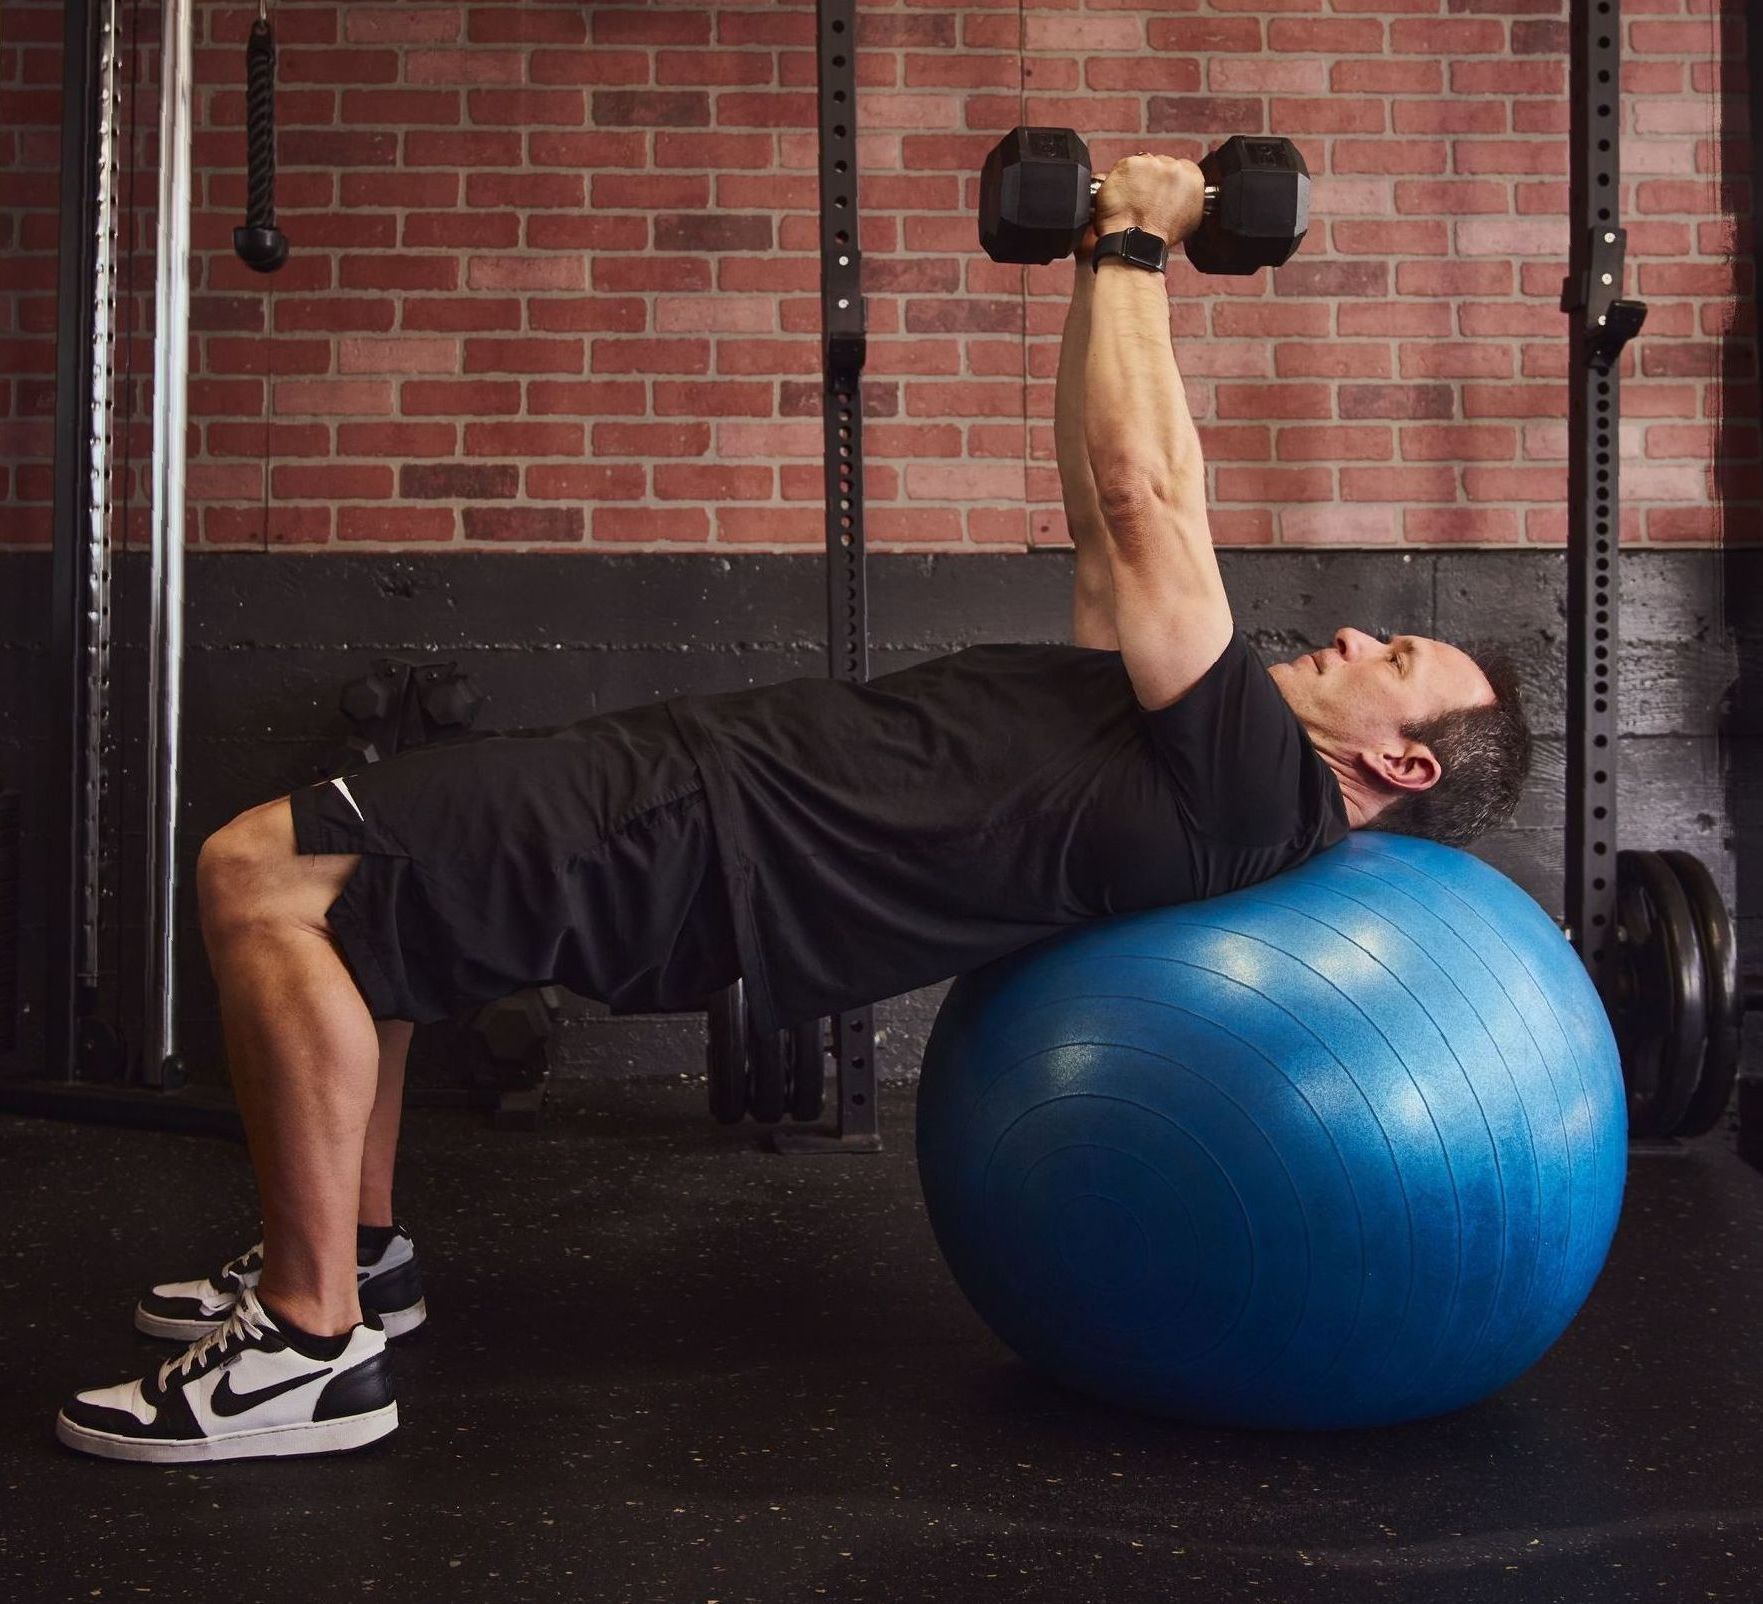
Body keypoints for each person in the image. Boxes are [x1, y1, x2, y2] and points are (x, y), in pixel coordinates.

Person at [56, 154, 1531, 1464]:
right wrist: (1097, 267)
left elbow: (1156, 500)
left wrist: (1147, 243)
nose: (1349, 635)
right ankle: (358, 1258)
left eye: (1388, 660)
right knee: (376, 909)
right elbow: (1111, 501)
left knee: (266, 868)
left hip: (706, 838)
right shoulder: (1192, 746)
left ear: (1401, 767)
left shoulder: (1254, 786)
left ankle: (310, 1354)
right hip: (704, 799)